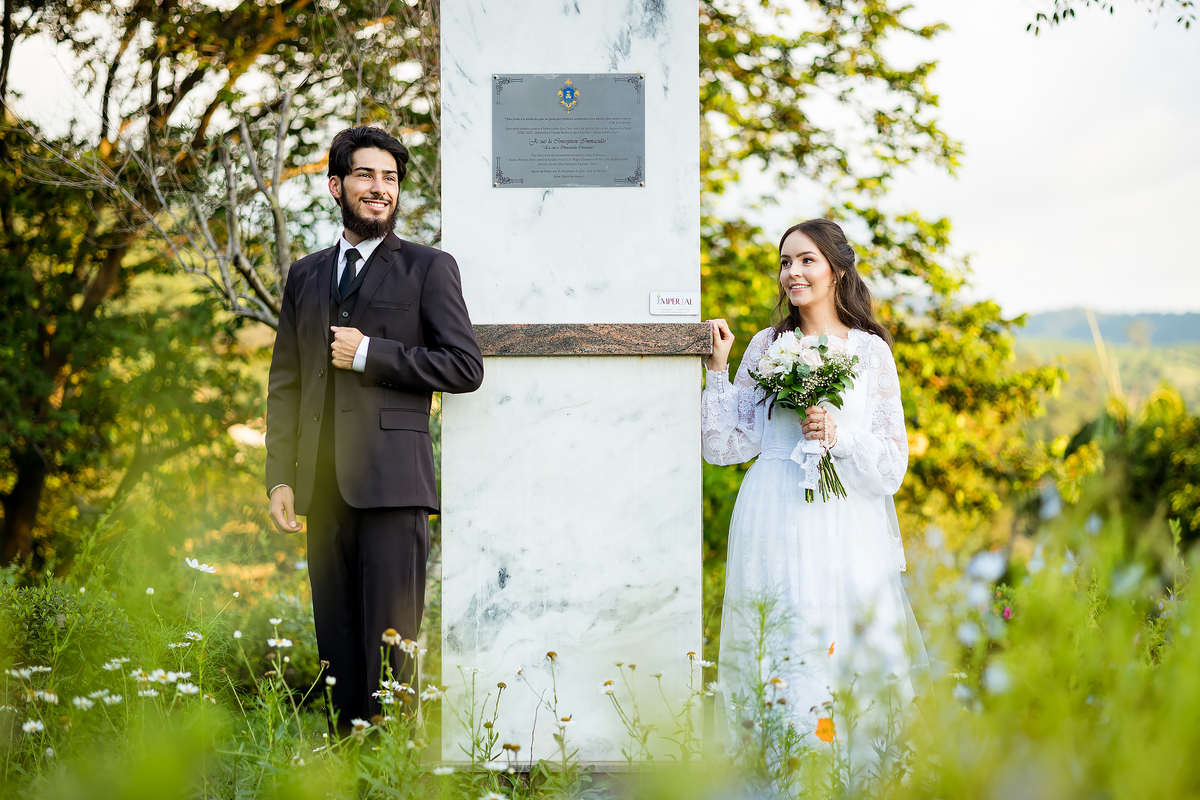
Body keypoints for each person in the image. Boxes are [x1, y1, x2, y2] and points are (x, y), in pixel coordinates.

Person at [265, 126, 484, 731]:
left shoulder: (428, 269)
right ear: (336, 185)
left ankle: (392, 779)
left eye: (389, 178)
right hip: (323, 492)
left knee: (393, 657)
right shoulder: (306, 276)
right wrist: (280, 477)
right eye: (365, 175)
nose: (379, 189)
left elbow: (465, 367)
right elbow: (285, 384)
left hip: (393, 489)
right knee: (336, 656)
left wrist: (371, 353)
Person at [702, 218, 925, 739]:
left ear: (837, 271)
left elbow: (893, 464)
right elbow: (724, 445)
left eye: (806, 260)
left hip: (845, 521)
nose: (792, 273)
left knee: (845, 641)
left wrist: (838, 437)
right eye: (785, 262)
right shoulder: (765, 345)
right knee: (778, 638)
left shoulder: (871, 352)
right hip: (772, 511)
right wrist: (718, 368)